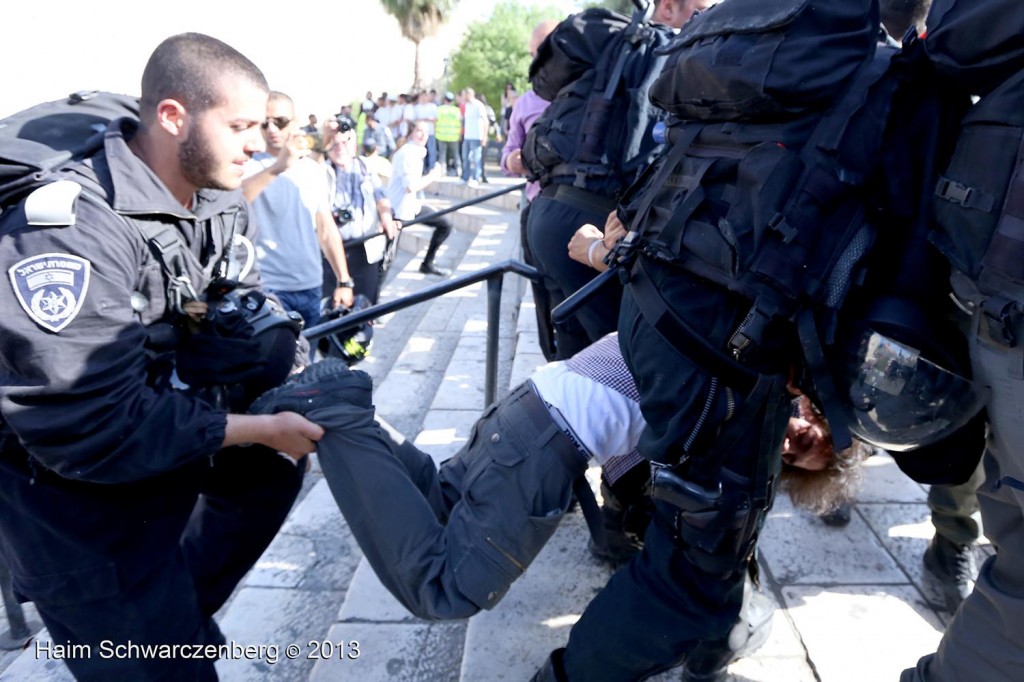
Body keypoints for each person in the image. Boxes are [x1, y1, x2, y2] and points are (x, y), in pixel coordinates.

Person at [249, 335, 864, 679]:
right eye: (811, 432)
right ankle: (337, 406)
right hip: (547, 440)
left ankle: (352, 417)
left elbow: (631, 469)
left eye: (800, 455)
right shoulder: (758, 379)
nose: (796, 438)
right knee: (446, 589)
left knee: (438, 503)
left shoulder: (735, 353)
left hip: (532, 411)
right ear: (814, 407)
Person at [0, 33, 324, 681]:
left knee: (267, 478)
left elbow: (234, 292)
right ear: (174, 116)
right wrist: (258, 428)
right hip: (73, 505)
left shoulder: (213, 191)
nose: (258, 144)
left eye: (261, 126)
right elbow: (86, 423)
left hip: (158, 439)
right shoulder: (66, 230)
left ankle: (173, 621)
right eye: (240, 126)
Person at [242, 91, 354, 330]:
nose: (271, 128)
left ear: (294, 123)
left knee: (309, 364)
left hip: (310, 286)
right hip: (267, 288)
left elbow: (326, 230)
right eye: (265, 122)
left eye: (279, 122)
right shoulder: (247, 165)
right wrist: (277, 168)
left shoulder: (313, 170)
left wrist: (344, 280)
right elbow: (234, 202)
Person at [502, 19, 560, 360]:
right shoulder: (526, 101)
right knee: (543, 295)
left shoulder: (600, 91)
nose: (536, 61)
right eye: (532, 54)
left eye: (540, 52)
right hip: (538, 208)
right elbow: (509, 154)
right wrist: (523, 159)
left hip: (593, 211)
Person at [323, 114, 399, 305]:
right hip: (332, 251)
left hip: (365, 247)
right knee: (334, 307)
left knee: (365, 304)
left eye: (345, 141)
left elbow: (381, 196)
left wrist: (386, 217)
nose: (340, 147)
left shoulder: (365, 167)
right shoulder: (321, 170)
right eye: (334, 143)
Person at [387, 121, 451, 277]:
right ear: (411, 133)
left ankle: (427, 264)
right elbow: (410, 186)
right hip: (397, 211)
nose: (423, 135)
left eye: (426, 132)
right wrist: (433, 176)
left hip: (410, 207)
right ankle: (373, 297)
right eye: (419, 131)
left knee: (444, 225)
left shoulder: (416, 152)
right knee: (387, 259)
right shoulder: (407, 153)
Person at [460, 88, 488, 185]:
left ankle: (476, 177)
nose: (463, 97)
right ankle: (465, 177)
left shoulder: (478, 105)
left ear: (469, 94)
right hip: (467, 136)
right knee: (465, 157)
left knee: (477, 158)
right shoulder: (467, 106)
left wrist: (484, 136)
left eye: (464, 95)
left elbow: (485, 121)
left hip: (477, 136)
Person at [435, 92, 463, 177]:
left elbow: (435, 121)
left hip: (441, 135)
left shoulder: (439, 109)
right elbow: (460, 122)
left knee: (442, 154)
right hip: (453, 136)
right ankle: (459, 170)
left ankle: (442, 171)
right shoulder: (456, 110)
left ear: (444, 99)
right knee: (456, 154)